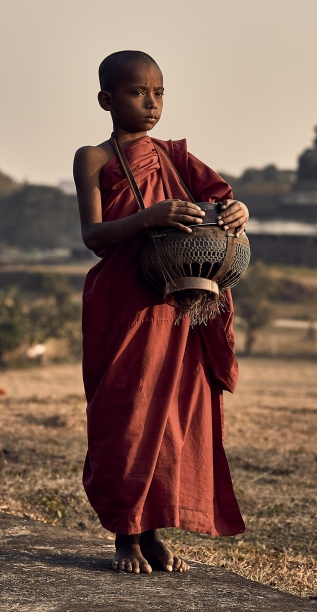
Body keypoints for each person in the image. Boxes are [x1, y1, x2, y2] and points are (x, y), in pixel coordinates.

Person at [72, 50, 249, 575]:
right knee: (126, 415)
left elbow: (222, 203)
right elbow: (92, 237)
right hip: (122, 304)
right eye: (136, 92)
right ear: (107, 99)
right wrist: (148, 218)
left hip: (176, 306)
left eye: (159, 92)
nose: (151, 104)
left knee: (172, 418)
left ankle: (153, 531)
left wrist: (238, 211)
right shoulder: (93, 158)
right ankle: (124, 534)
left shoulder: (174, 157)